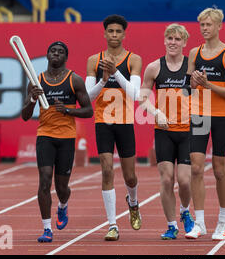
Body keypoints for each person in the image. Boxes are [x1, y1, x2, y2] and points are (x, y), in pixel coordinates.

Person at [21, 41, 93, 243]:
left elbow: (88, 111)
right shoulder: (37, 81)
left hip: (66, 138)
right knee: (44, 180)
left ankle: (63, 206)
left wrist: (68, 110)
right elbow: (25, 116)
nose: (56, 54)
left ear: (65, 57)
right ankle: (46, 228)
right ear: (47, 54)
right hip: (45, 135)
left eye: (60, 52)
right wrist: (32, 100)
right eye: (53, 51)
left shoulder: (74, 80)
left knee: (62, 187)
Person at [85, 14, 142, 241]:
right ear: (105, 34)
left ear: (124, 34)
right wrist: (103, 78)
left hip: (125, 122)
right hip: (103, 121)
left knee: (130, 177)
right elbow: (88, 97)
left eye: (119, 31)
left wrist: (116, 73)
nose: (115, 35)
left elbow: (136, 95)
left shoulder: (133, 59)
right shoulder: (93, 60)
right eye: (111, 31)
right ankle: (112, 225)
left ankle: (134, 203)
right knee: (107, 170)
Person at [184, 8, 225, 240]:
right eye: (202, 25)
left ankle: (223, 221)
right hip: (199, 114)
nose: (205, 28)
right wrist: (194, 83)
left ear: (219, 26)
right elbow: (187, 88)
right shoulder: (195, 53)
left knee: (218, 170)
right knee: (196, 168)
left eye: (208, 24)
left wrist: (209, 85)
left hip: (220, 116)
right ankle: (200, 223)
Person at [139, 23, 195, 240]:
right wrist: (156, 112)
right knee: (166, 180)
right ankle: (172, 225)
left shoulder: (192, 67)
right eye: (169, 38)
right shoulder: (154, 68)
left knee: (184, 181)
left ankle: (184, 212)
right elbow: (143, 99)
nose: (173, 42)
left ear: (184, 43)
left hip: (187, 130)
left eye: (177, 39)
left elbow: (202, 96)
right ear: (164, 40)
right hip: (163, 131)